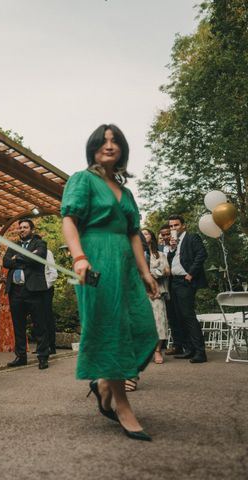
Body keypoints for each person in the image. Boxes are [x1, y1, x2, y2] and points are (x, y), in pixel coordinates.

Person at [61, 124, 158, 441]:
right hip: (96, 260)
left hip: (126, 264)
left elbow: (134, 233)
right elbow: (69, 220)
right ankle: (122, 405)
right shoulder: (82, 180)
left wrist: (145, 272)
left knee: (144, 329)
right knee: (111, 330)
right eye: (103, 141)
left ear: (123, 150)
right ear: (92, 147)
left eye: (115, 140)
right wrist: (79, 258)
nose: (109, 145)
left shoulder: (126, 192)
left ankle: (104, 385)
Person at [3, 219, 50, 369]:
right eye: (20, 227)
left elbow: (38, 258)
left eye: (25, 227)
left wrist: (17, 258)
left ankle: (43, 357)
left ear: (32, 229)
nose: (22, 229)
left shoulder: (40, 244)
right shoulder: (14, 245)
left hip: (34, 290)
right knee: (18, 325)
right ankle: (21, 356)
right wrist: (26, 257)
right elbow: (5, 262)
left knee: (39, 324)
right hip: (16, 291)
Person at [167, 214, 208, 363]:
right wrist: (172, 249)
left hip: (186, 281)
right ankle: (189, 349)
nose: (173, 228)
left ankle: (200, 352)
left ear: (183, 225)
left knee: (188, 316)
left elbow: (202, 254)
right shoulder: (174, 242)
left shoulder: (192, 237)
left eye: (176, 225)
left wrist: (191, 273)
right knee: (180, 317)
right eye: (171, 226)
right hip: (175, 282)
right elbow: (173, 261)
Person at [142, 229, 170, 364]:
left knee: (160, 322)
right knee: (143, 323)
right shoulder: (135, 255)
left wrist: (151, 273)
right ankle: (145, 352)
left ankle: (158, 350)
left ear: (152, 237)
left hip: (157, 291)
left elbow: (166, 271)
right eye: (141, 233)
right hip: (140, 293)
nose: (143, 235)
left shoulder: (160, 254)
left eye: (146, 233)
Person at [44, 249, 59, 354]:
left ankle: (51, 346)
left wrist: (45, 286)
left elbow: (53, 273)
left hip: (46, 289)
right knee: (39, 318)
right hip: (35, 289)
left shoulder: (47, 253)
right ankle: (43, 345)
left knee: (47, 317)